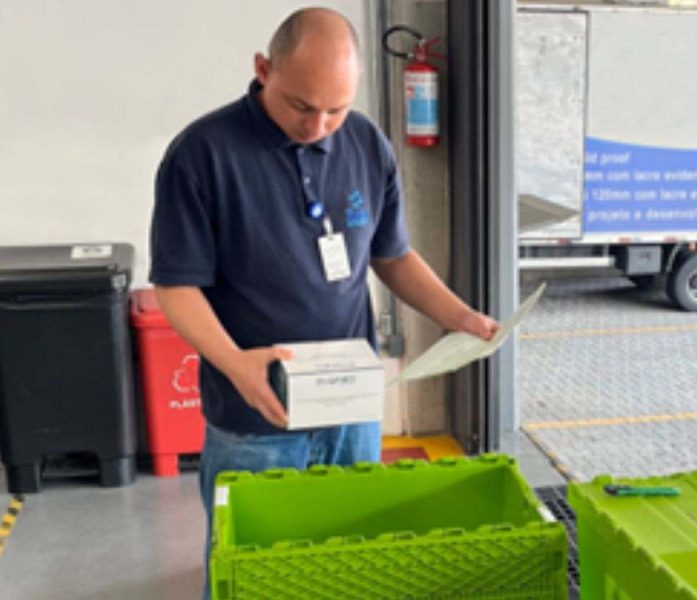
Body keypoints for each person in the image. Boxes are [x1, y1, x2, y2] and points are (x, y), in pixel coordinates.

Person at [148, 6, 499, 591]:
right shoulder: (202, 154)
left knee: (346, 557)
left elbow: (392, 256)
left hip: (350, 406)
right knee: (250, 570)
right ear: (264, 69)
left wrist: (458, 316)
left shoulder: (365, 142)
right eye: (301, 107)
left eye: (336, 109)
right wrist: (236, 366)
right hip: (255, 414)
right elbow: (176, 286)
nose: (317, 127)